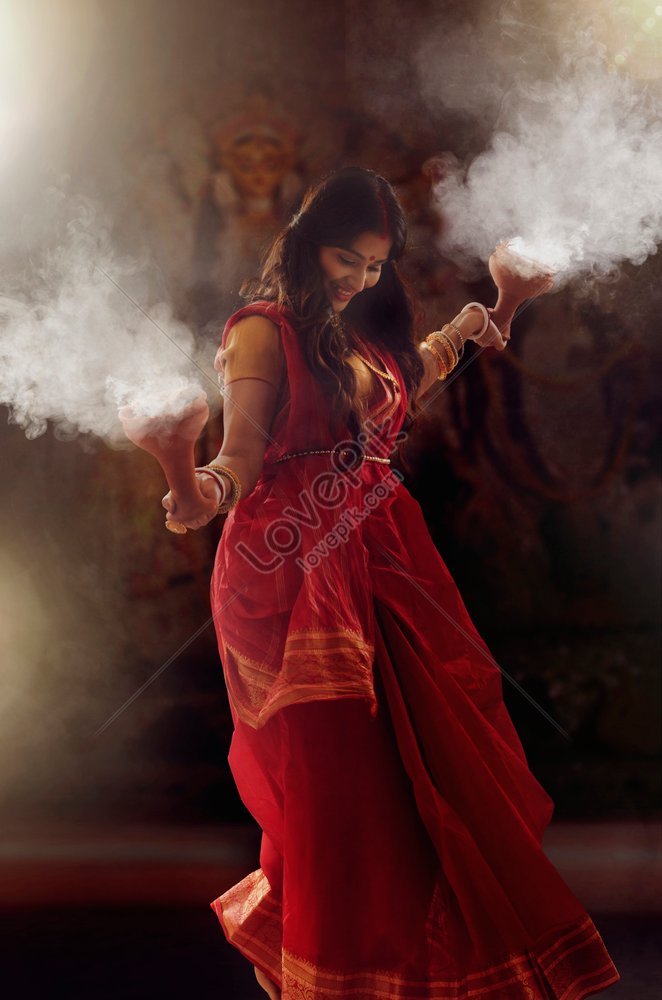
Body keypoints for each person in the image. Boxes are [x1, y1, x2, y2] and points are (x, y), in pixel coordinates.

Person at [161, 167, 620, 999]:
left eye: (374, 266)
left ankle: (402, 974)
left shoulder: (359, 345)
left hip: (386, 566)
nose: (359, 278)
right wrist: (198, 491)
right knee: (346, 799)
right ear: (307, 243)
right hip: (298, 576)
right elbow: (242, 457)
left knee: (431, 785)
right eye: (346, 258)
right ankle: (330, 975)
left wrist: (487, 318)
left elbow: (405, 385)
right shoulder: (262, 331)